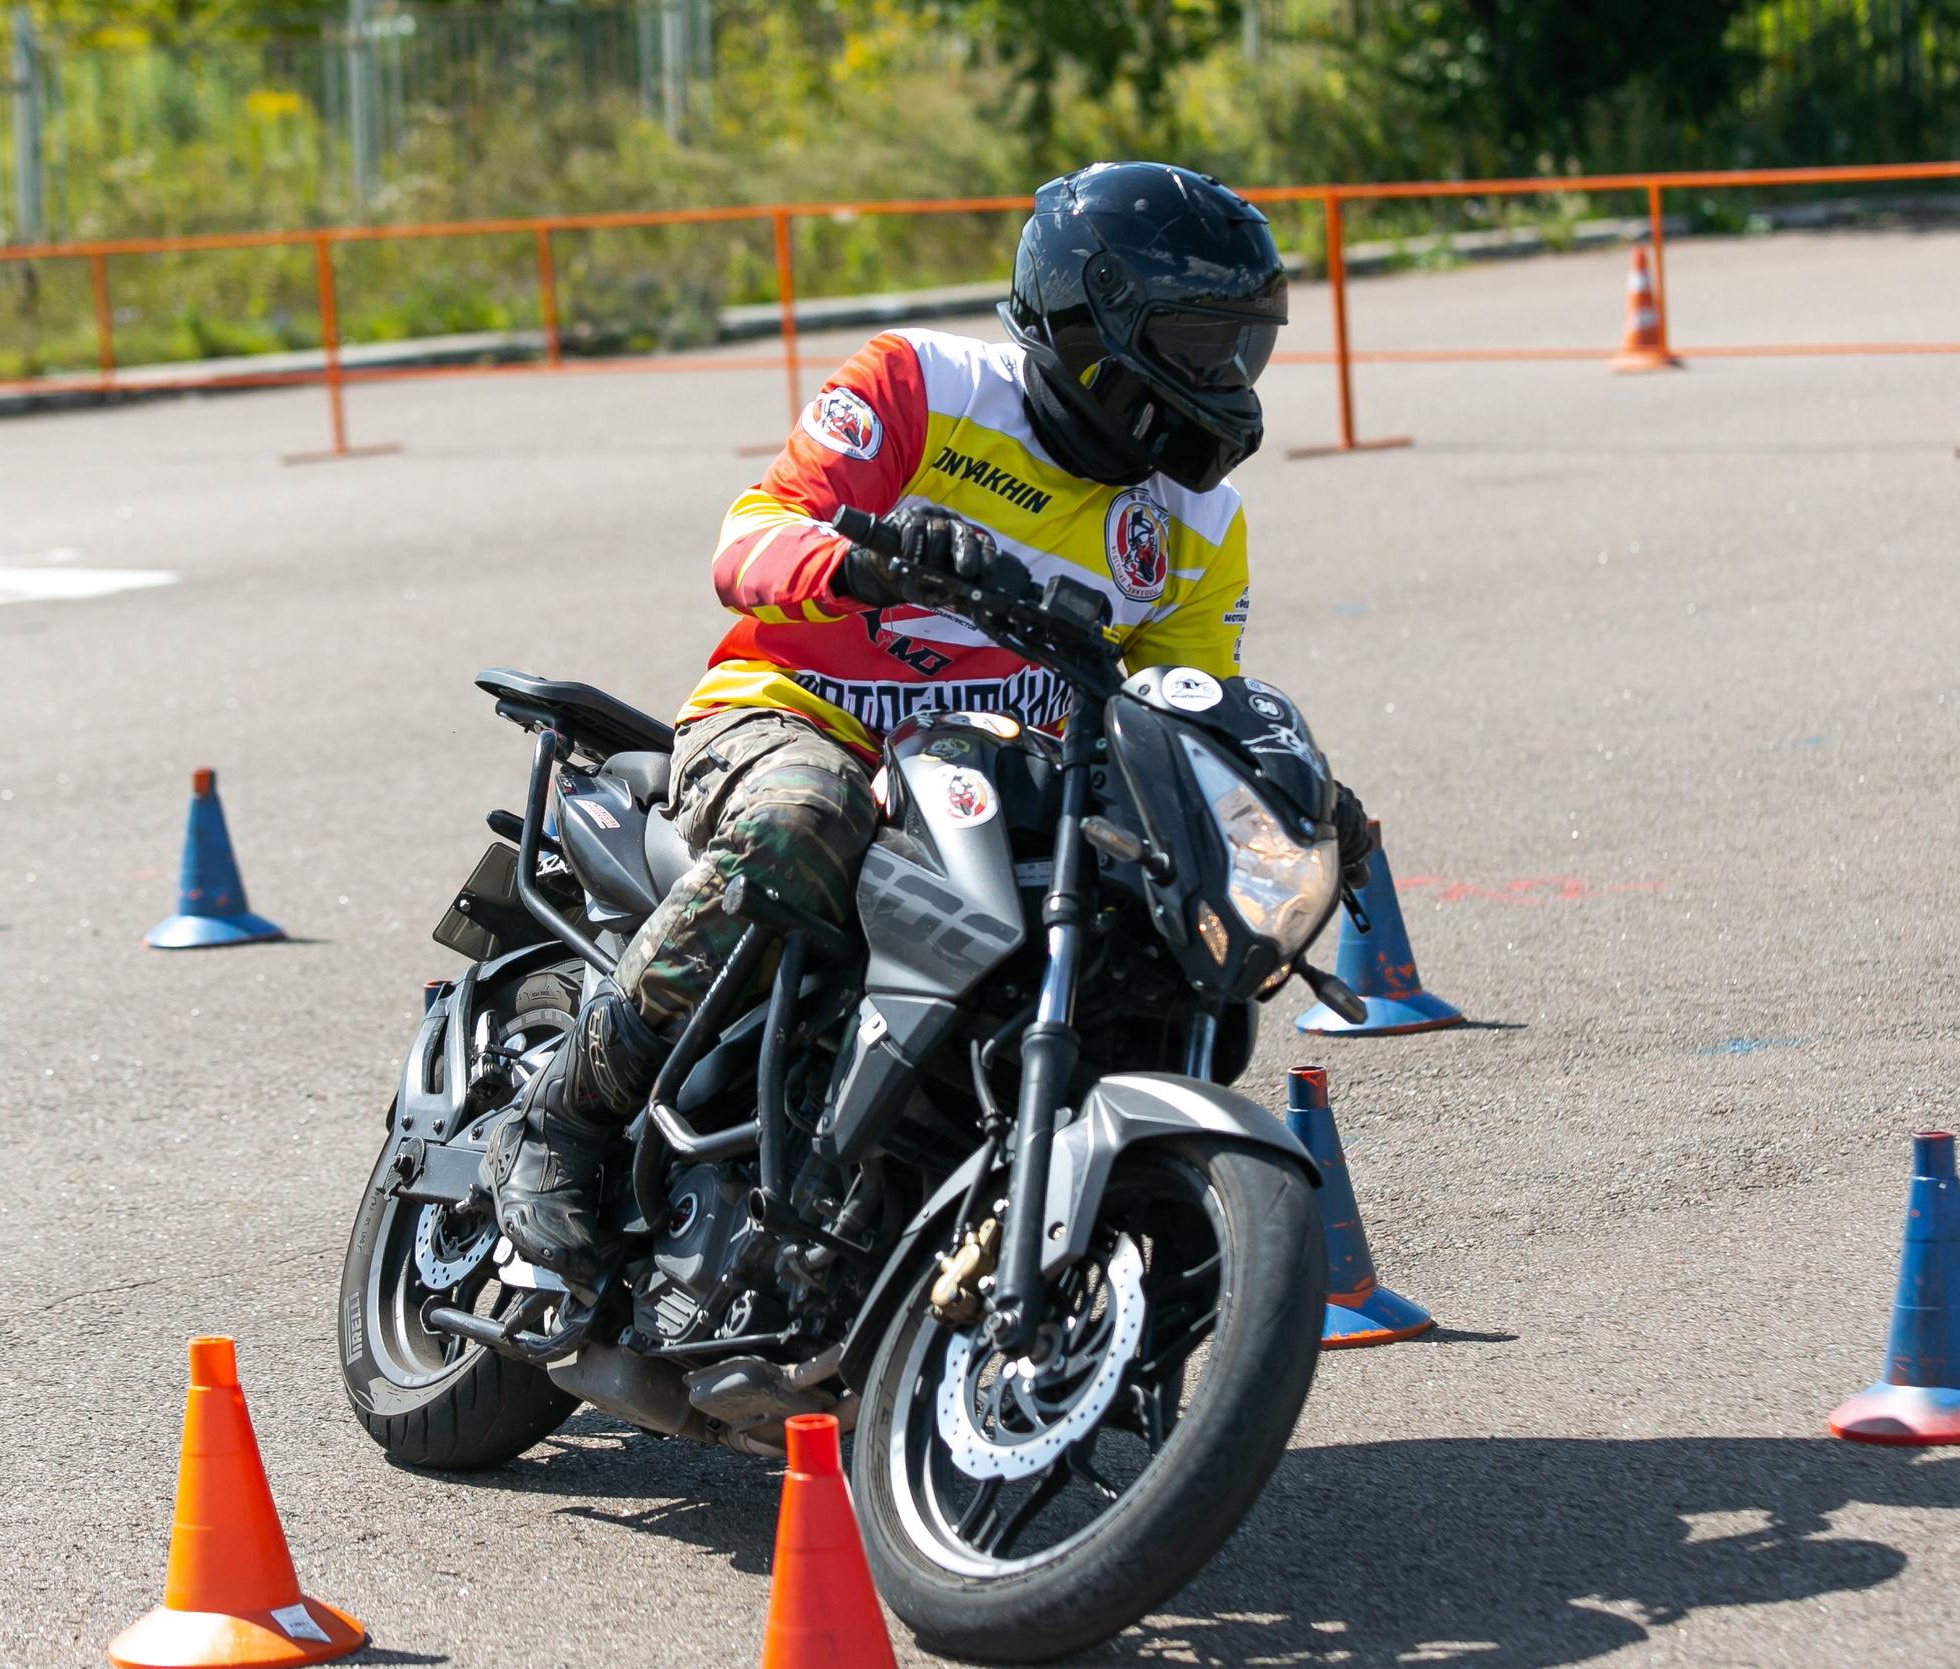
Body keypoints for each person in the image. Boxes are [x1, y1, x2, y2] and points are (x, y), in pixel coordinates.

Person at [483, 160, 1372, 1286]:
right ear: (1094, 319)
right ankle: (559, 1118)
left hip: (987, 785)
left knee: (1140, 939)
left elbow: (1179, 705)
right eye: (1199, 346)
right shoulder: (921, 383)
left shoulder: (1200, 523)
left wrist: (1285, 796)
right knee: (807, 820)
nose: (1225, 380)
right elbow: (748, 539)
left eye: (1241, 350)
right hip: (796, 719)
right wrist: (856, 566)